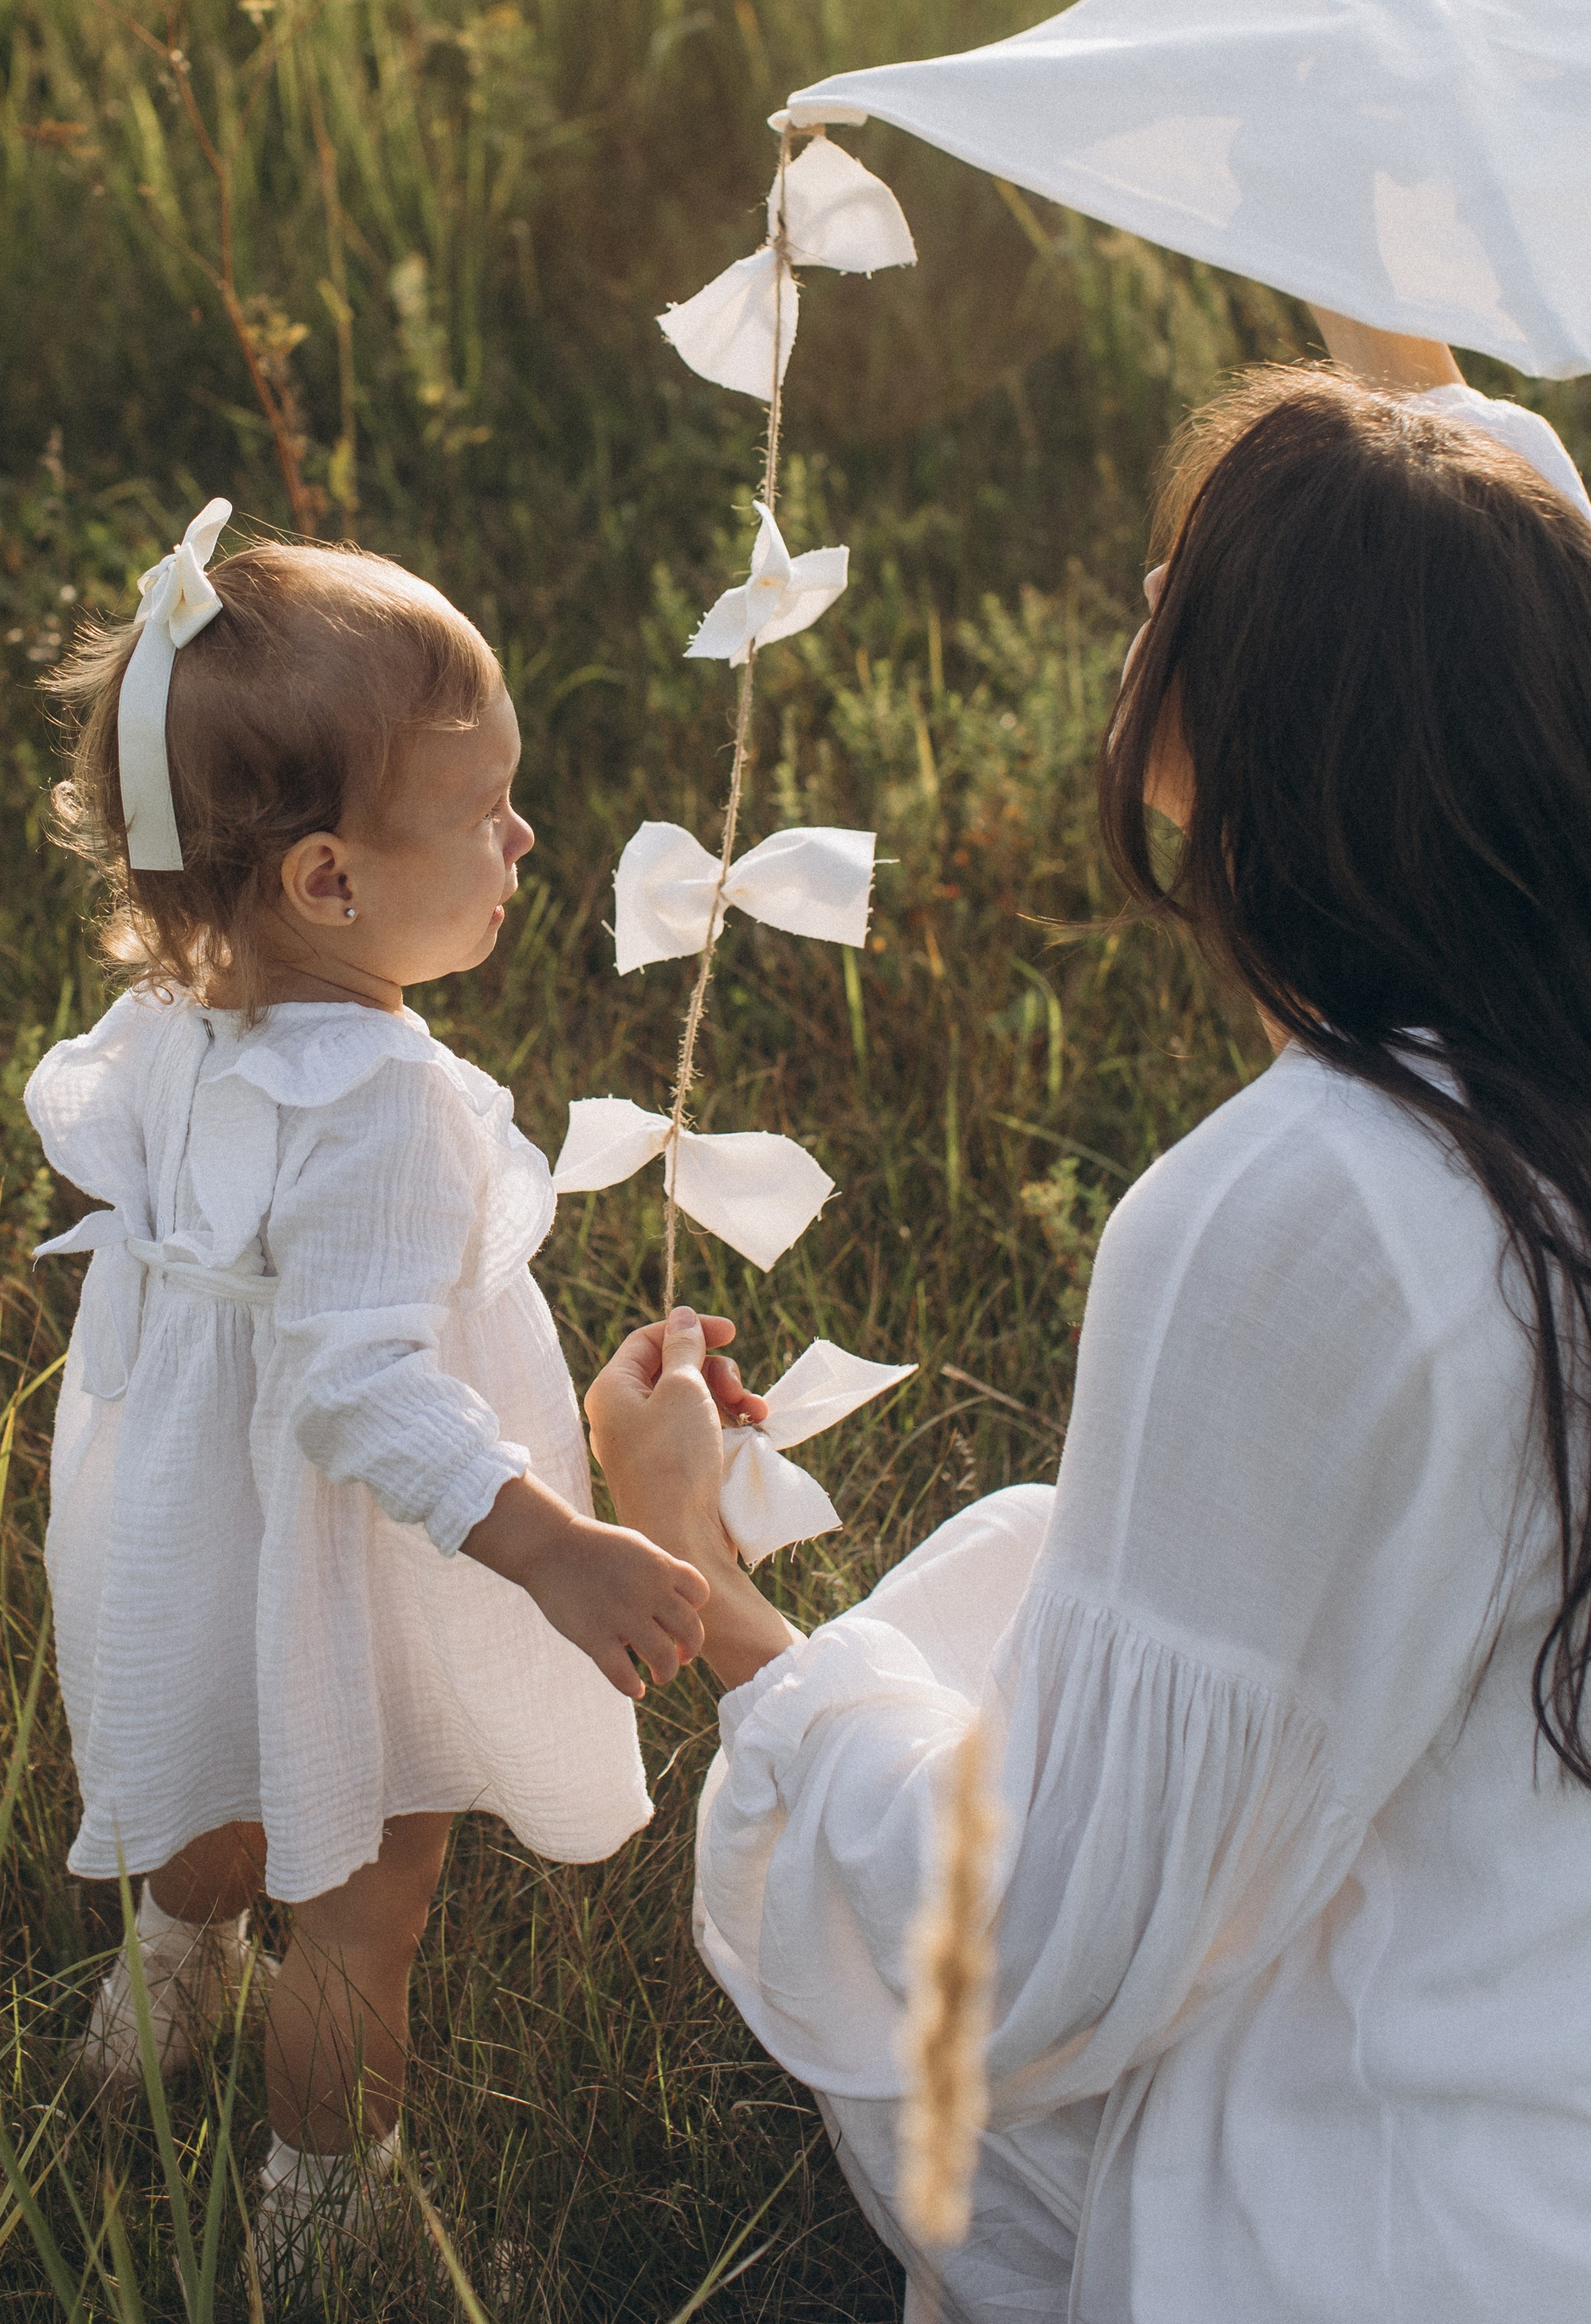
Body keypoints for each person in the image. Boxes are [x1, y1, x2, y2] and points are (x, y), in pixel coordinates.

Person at [587, 327, 1591, 2321]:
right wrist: (1390, 383)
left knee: (969, 1751)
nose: (1134, 619)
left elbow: (1040, 1953)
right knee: (1035, 1558)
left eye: (1169, 605)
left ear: (1241, 723)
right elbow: (1497, 556)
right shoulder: (1527, 1087)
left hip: (1409, 2217)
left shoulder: (1298, 1213)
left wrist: (706, 1584)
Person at [24, 510, 745, 2281]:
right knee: (367, 1890)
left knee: (211, 1784)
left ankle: (158, 2002)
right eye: (487, 810)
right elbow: (359, 1391)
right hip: (348, 1542)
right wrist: (555, 1545)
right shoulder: (388, 1103)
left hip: (190, 1503)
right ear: (328, 885)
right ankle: (320, 2221)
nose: (521, 835)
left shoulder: (174, 1016)